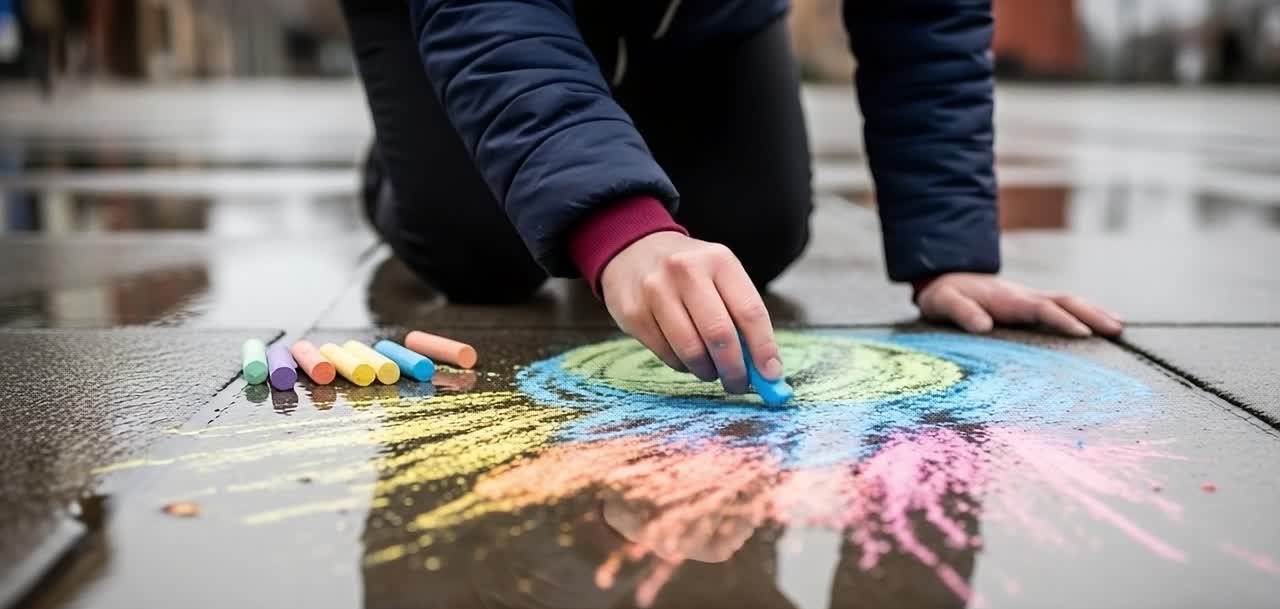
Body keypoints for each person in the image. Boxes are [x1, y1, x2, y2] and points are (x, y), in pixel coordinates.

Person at [340, 0, 1124, 395]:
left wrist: (947, 254)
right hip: (466, 13)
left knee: (757, 234)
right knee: (482, 254)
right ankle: (405, 163)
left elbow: (926, 18)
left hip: (701, 18)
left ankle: (609, 129)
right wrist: (617, 223)